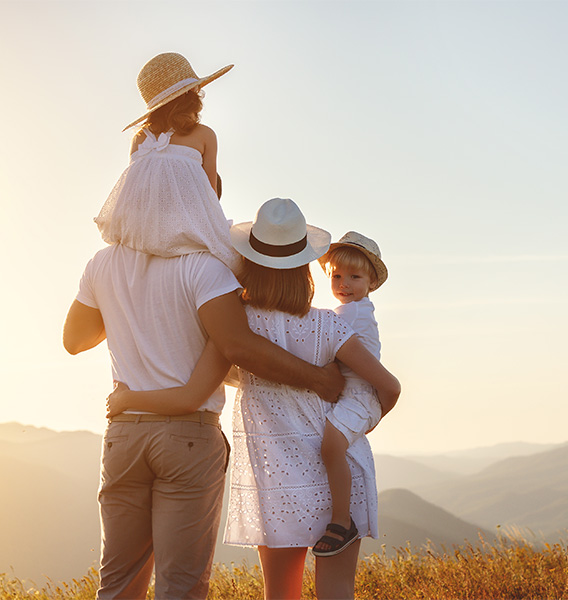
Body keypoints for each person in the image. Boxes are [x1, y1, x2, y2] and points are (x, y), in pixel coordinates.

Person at [63, 54, 345, 599]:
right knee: (181, 585)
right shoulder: (205, 267)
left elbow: (75, 340)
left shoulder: (103, 265)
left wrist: (126, 309)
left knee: (117, 583)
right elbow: (239, 345)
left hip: (124, 433)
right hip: (187, 437)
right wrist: (319, 380)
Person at [106, 199, 401, 600]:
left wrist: (129, 397)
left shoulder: (236, 330)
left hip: (278, 479)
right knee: (337, 593)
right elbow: (389, 387)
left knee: (281, 595)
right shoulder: (330, 325)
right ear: (305, 266)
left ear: (248, 262)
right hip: (338, 477)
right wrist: (356, 424)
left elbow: (197, 390)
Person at [94, 52, 242, 274]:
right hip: (189, 227)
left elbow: (141, 192)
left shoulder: (139, 139)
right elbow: (209, 196)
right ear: (191, 94)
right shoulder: (205, 135)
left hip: (143, 231)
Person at [312, 232, 389, 557]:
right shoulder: (357, 309)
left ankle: (342, 521)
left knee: (330, 447)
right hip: (355, 394)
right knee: (332, 447)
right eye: (337, 276)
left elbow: (322, 341)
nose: (344, 284)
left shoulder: (347, 315)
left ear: (371, 281)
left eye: (354, 277)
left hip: (358, 395)